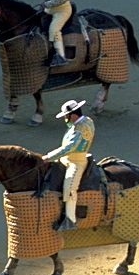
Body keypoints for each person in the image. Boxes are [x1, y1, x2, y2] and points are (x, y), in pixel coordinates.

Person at [42, 99, 95, 231]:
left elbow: (68, 148)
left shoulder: (81, 128)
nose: (65, 118)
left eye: (66, 116)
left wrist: (48, 157)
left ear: (73, 115)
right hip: (66, 159)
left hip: (76, 161)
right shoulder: (85, 121)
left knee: (70, 186)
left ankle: (70, 220)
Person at [30, 0, 72, 66]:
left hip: (62, 10)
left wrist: (47, 4)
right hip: (51, 9)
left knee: (54, 29)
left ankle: (61, 57)